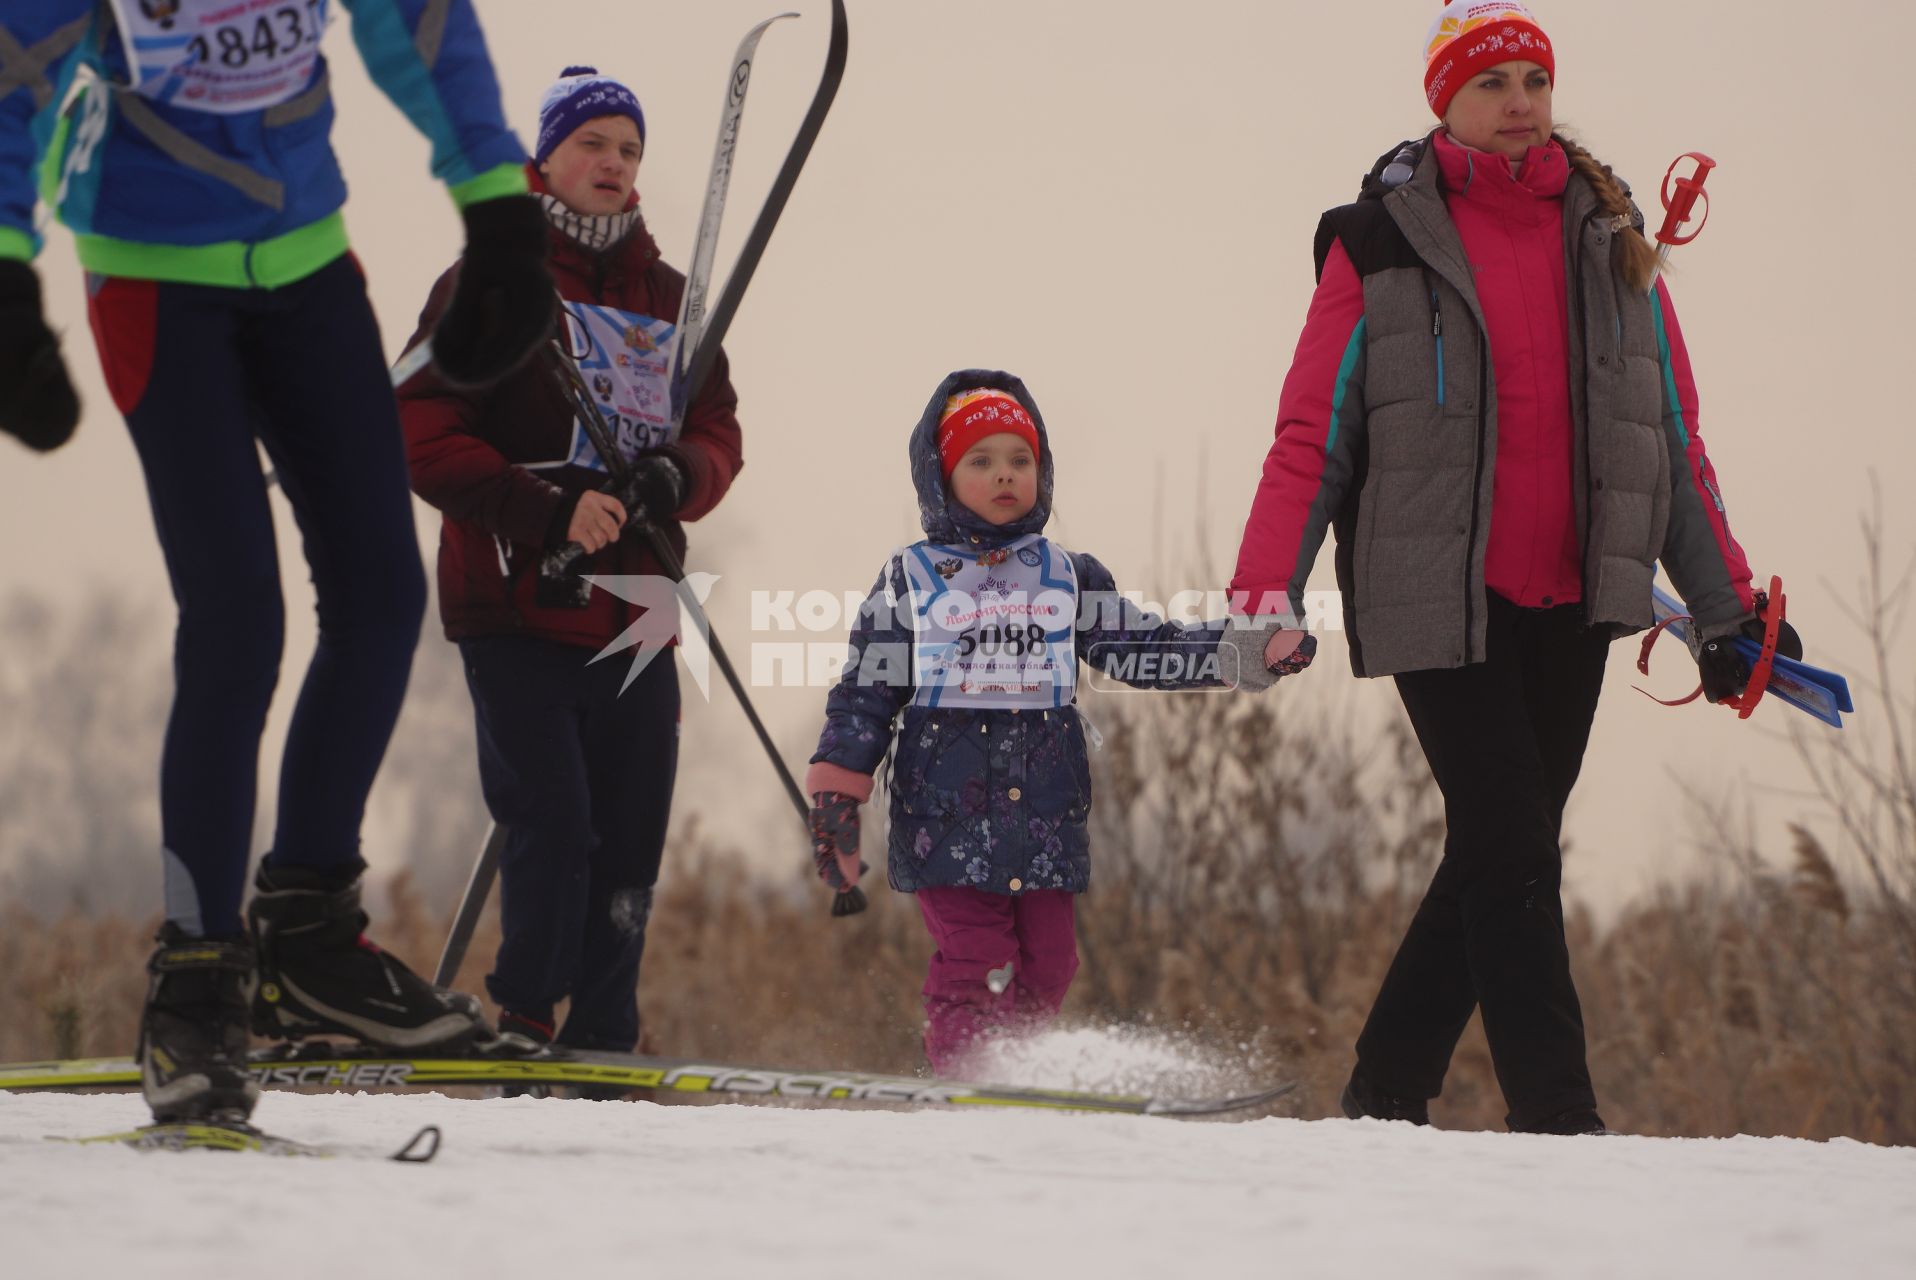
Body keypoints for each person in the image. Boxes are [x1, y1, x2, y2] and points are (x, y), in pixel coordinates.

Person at [1222, 0, 1800, 1134]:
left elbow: (1669, 440)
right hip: (1437, 596)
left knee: (1501, 850)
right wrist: (1260, 594)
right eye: (1490, 83)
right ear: (1441, 101)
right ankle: (1558, 1115)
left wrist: (1727, 611)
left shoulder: (1612, 236)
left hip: (1576, 599)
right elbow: (1312, 435)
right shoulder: (1378, 240)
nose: (1517, 101)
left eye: (1532, 79)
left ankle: (1383, 1089)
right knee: (1512, 850)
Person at [0, 1, 556, 1126]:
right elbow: (13, 67)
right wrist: (7, 265)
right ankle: (197, 981)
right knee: (237, 617)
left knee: (381, 594)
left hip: (307, 257)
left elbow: (421, 21)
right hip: (154, 273)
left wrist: (496, 204)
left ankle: (305, 933)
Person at [807, 370, 1313, 1075]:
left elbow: (1144, 650)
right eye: (980, 461)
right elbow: (865, 692)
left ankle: (1015, 1078)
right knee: (978, 962)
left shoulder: (1066, 576)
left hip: (1045, 818)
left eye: (1021, 460)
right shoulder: (911, 579)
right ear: (941, 476)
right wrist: (838, 794)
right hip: (944, 819)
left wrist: (1244, 648)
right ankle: (965, 1082)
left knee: (1050, 966)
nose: (1005, 475)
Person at [398, 67, 744, 1055]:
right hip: (516, 595)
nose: (612, 163)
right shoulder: (487, 283)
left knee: (631, 829)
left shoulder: (674, 300)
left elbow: (717, 428)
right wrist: (546, 506)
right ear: (545, 157)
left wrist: (676, 477)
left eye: (628, 150)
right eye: (592, 143)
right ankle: (524, 1013)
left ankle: (603, 1034)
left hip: (639, 603)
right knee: (551, 816)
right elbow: (419, 426)